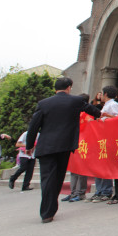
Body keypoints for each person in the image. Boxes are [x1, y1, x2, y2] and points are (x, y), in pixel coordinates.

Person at [25, 77, 101, 223]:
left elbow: (33, 126)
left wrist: (29, 146)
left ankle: (47, 213)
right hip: (64, 146)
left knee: (47, 179)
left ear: (55, 89)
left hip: (46, 147)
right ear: (69, 87)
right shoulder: (76, 101)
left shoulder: (43, 103)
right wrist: (103, 114)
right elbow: (95, 112)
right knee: (58, 178)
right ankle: (50, 210)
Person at [90, 85, 118, 202]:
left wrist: (107, 117)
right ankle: (99, 191)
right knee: (98, 165)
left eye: (102, 93)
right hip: (100, 137)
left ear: (106, 94)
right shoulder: (106, 105)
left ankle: (106, 191)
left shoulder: (113, 104)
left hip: (108, 138)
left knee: (105, 165)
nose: (101, 95)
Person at [63, 93, 92, 202]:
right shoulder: (75, 113)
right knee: (73, 169)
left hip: (83, 144)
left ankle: (80, 193)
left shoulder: (88, 114)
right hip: (73, 143)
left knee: (81, 170)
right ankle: (73, 192)